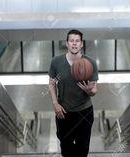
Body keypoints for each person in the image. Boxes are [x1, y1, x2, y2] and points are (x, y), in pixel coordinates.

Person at [48, 29, 98, 157]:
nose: (74, 44)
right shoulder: (56, 62)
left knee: (83, 149)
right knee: (66, 148)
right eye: (71, 41)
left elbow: (94, 90)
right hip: (63, 113)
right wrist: (55, 104)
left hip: (84, 112)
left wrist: (89, 91)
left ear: (81, 44)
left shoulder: (90, 63)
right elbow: (51, 84)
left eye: (77, 41)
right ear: (67, 43)